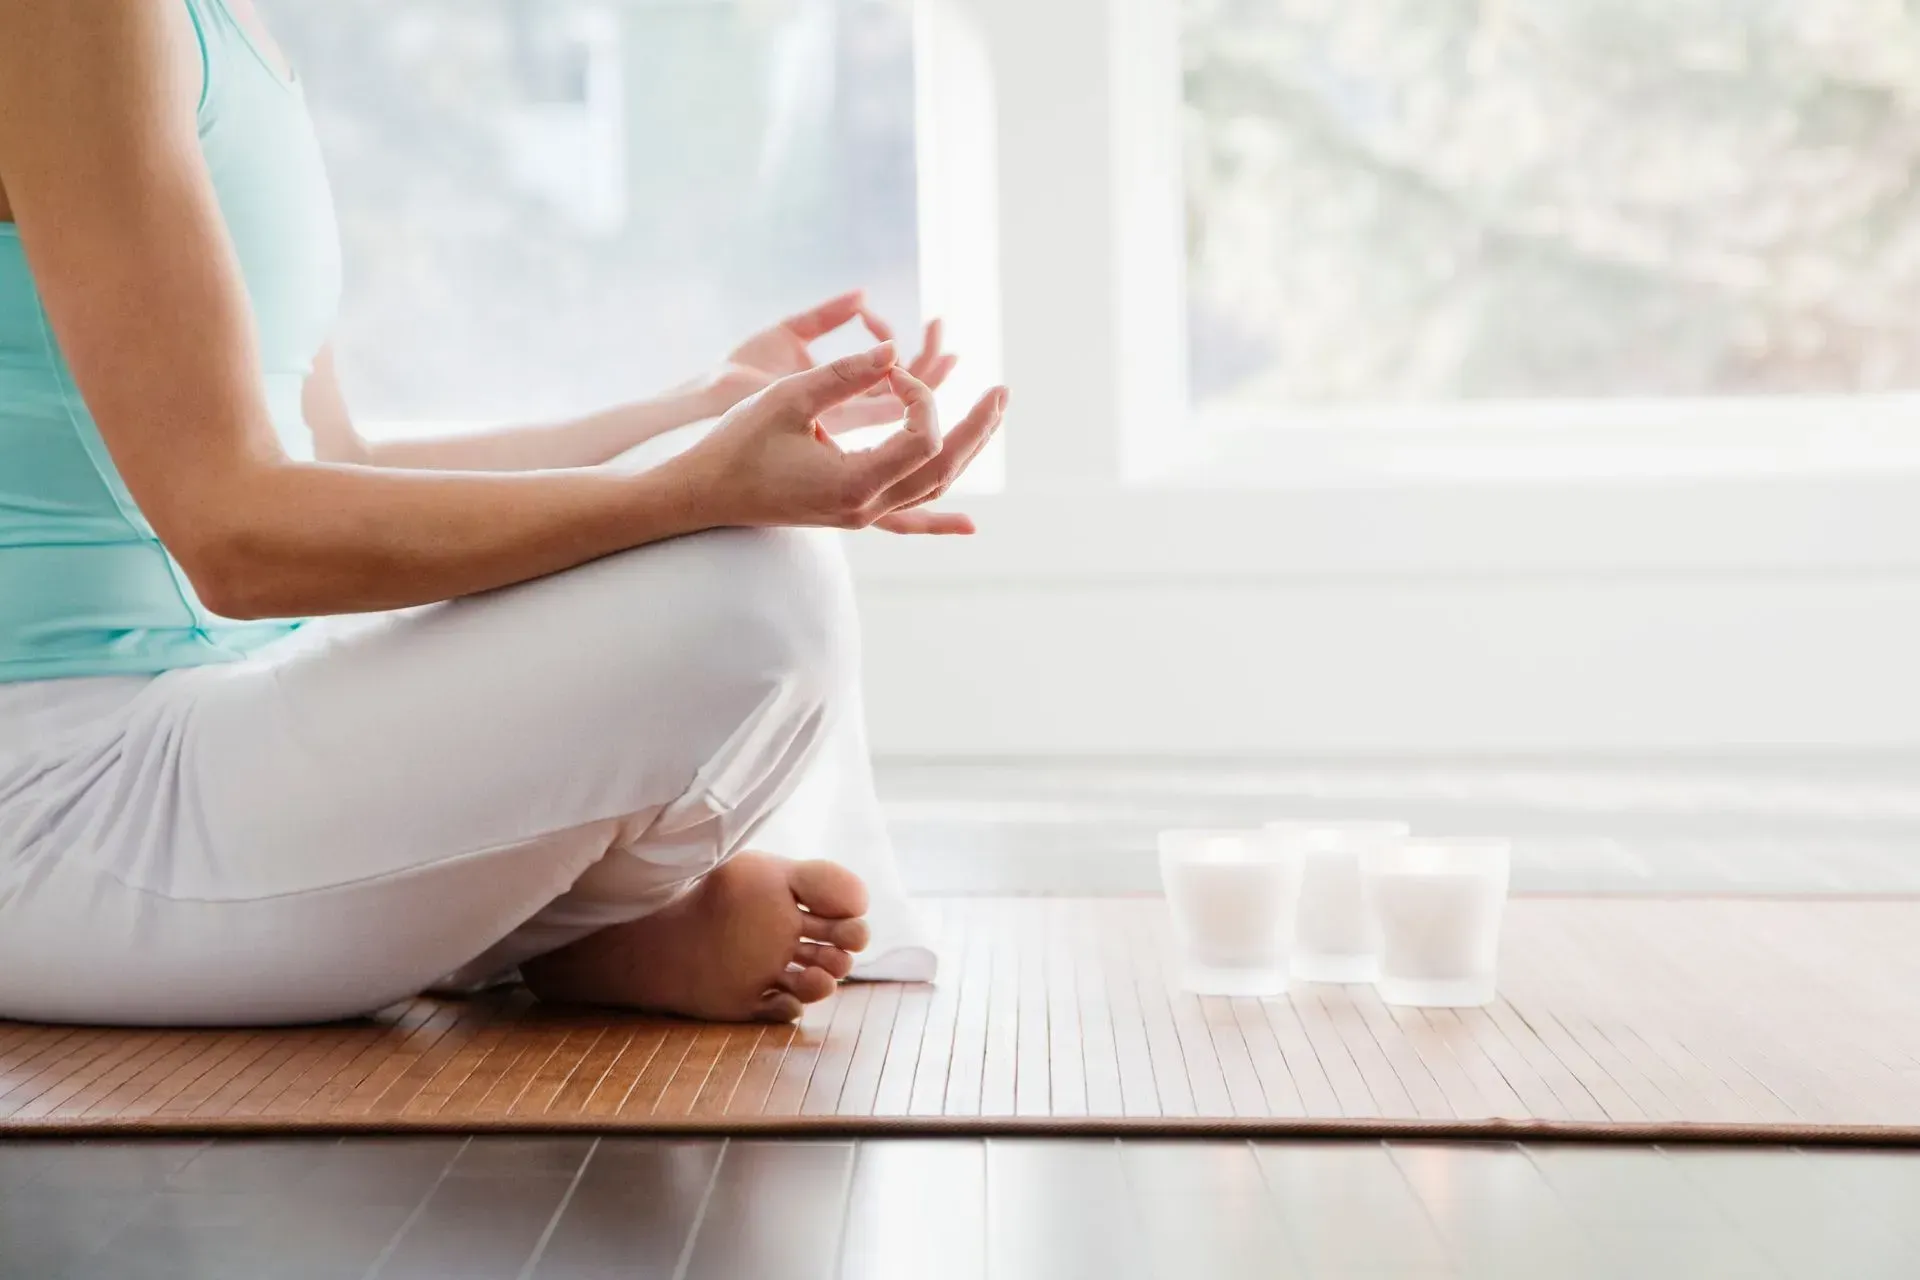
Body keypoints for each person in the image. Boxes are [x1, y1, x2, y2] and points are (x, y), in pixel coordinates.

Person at [0, 1, 1003, 1027]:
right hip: (62, 795)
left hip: (238, 695)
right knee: (756, 591)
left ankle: (539, 925)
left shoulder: (230, 25)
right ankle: (558, 926)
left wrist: (695, 418)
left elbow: (338, 468)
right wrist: (692, 486)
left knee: (740, 533)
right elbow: (241, 543)